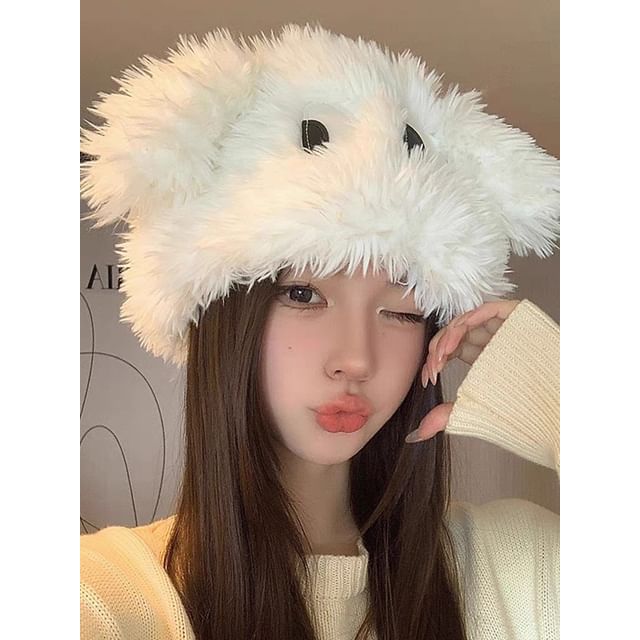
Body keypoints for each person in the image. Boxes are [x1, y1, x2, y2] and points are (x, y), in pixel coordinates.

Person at [80, 23, 559, 640]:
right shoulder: (99, 596)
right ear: (225, 314)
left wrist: (562, 394)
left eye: (402, 311)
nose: (356, 359)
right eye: (303, 294)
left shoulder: (513, 568)